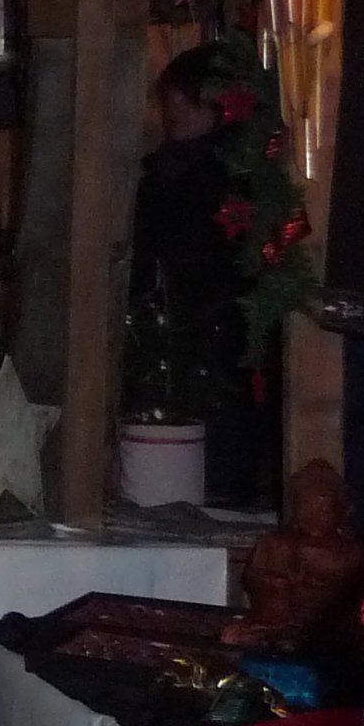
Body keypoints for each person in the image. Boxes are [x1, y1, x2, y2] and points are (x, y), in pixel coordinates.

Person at [130, 45, 276, 509]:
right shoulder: (163, 171)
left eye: (187, 98)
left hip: (230, 334)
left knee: (226, 455)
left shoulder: (243, 171)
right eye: (170, 98)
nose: (174, 109)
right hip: (170, 329)